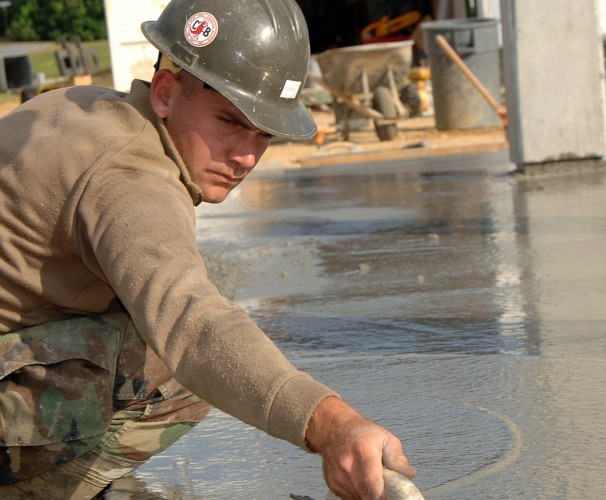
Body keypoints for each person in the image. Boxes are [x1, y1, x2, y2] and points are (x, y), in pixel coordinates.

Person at [0, 0, 415, 498]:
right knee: (175, 365)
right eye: (229, 121)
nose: (245, 156)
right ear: (165, 92)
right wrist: (331, 424)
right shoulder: (132, 181)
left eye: (264, 134)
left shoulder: (80, 106)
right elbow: (195, 327)